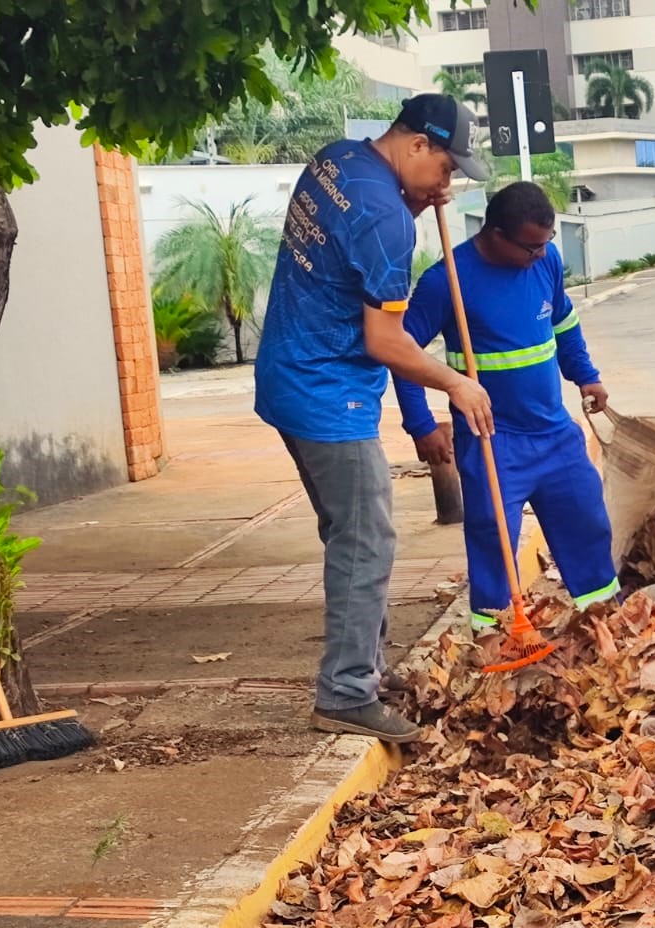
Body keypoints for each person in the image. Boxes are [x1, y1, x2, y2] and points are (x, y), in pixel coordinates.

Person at [254, 94, 495, 743]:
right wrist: (456, 384)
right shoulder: (389, 220)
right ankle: (346, 693)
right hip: (327, 392)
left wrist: (412, 204)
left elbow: (345, 247)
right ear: (416, 145)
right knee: (367, 538)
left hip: (287, 371)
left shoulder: (337, 162)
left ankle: (364, 669)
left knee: (353, 532)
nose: (447, 184)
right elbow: (384, 341)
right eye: (445, 167)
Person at [396, 182, 620, 632]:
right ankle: (497, 635)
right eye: (531, 246)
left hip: (555, 434)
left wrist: (586, 374)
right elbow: (401, 354)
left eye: (546, 243)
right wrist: (421, 424)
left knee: (587, 521)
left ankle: (604, 623)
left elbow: (564, 324)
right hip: (493, 441)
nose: (541, 254)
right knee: (493, 539)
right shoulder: (447, 282)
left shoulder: (547, 261)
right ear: (496, 234)